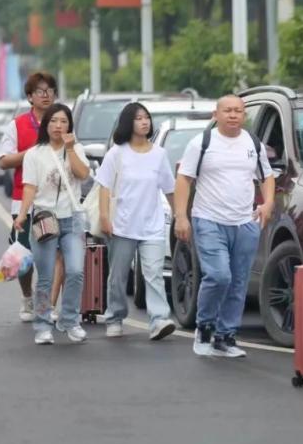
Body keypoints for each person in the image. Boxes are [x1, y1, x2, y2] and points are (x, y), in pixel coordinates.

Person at [174, 95, 275, 358]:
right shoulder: (202, 143)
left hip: (245, 222)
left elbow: (267, 176)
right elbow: (184, 179)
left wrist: (268, 203)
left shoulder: (253, 143)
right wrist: (181, 216)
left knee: (238, 282)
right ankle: (205, 328)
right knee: (219, 276)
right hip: (209, 220)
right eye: (227, 110)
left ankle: (225, 337)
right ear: (215, 115)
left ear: (244, 116)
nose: (233, 115)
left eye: (238, 111)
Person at [97, 102, 177, 340]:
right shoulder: (116, 153)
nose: (144, 122)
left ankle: (159, 320)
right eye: (139, 118)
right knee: (118, 277)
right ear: (128, 123)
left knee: (153, 274)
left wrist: (180, 216)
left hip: (152, 226)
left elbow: (170, 189)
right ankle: (115, 317)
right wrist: (104, 217)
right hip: (121, 226)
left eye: (146, 118)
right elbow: (104, 187)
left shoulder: (159, 154)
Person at [13, 103, 91, 344]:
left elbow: (83, 174)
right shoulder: (34, 154)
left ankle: (70, 321)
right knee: (45, 276)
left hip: (72, 220)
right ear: (46, 125)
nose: (58, 126)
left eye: (64, 121)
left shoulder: (76, 148)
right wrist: (22, 214)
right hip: (45, 219)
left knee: (76, 271)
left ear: (70, 125)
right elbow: (30, 187)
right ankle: (43, 325)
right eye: (54, 121)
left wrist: (71, 148)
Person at [0, 72, 61, 322]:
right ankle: (27, 297)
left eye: (50, 91)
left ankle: (48, 303)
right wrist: (34, 152)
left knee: (54, 254)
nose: (46, 95)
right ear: (30, 97)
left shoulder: (61, 121)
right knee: (24, 252)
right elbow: (4, 161)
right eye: (40, 91)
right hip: (23, 200)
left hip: (56, 201)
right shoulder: (18, 125)